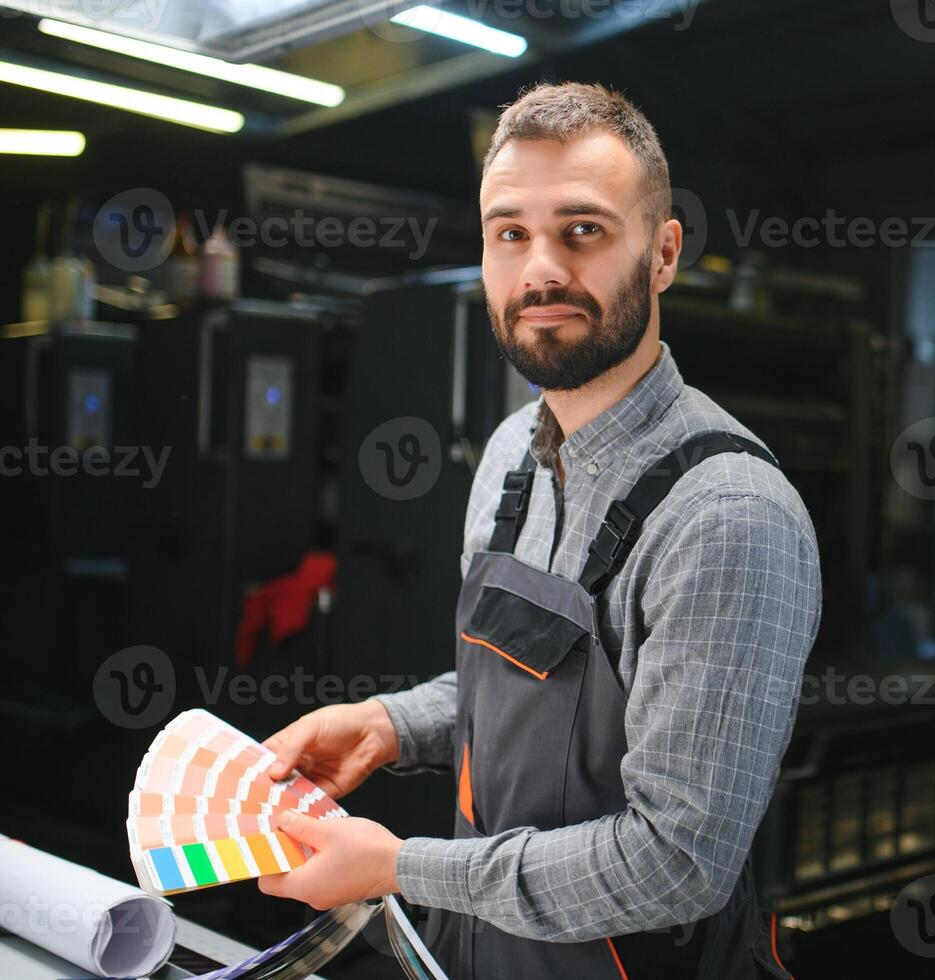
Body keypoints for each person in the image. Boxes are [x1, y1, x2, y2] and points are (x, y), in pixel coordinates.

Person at [258, 81, 821, 979]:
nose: (541, 269)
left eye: (582, 231)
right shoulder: (511, 453)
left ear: (663, 253)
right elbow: (535, 695)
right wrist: (389, 724)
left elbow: (675, 863)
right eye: (510, 234)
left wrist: (400, 868)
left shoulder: (727, 518)